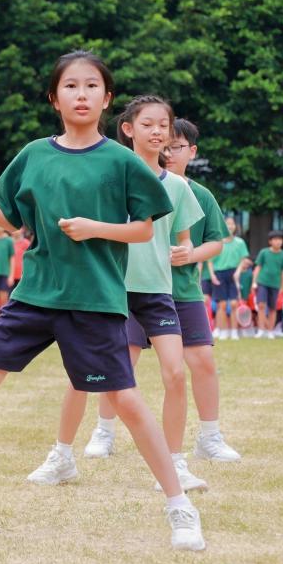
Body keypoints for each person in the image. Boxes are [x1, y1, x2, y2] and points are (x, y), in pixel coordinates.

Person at [0, 51, 205, 552]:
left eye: (92, 86)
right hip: (35, 292)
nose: (82, 94)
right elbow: (12, 220)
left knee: (124, 400)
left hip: (94, 299)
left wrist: (94, 229)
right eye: (71, 87)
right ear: (55, 98)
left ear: (107, 99)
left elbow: (145, 229)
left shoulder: (121, 161)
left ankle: (179, 505)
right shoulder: (34, 154)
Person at [27, 96, 209, 492]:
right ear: (128, 129)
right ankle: (64, 453)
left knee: (175, 373)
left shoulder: (178, 187)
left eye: (165, 125)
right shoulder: (107, 172)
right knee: (85, 377)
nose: (158, 132)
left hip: (157, 292)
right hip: (110, 289)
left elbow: (183, 239)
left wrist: (185, 252)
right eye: (148, 124)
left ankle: (175, 463)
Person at [82, 117, 241, 463]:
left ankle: (210, 436)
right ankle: (104, 431)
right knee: (123, 361)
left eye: (176, 147)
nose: (167, 151)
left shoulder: (196, 193)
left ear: (191, 152)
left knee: (202, 362)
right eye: (164, 144)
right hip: (133, 288)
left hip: (182, 291)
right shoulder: (129, 185)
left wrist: (190, 255)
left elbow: (216, 241)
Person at [209, 216, 249, 340]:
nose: (229, 226)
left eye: (232, 224)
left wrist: (238, 272)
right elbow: (210, 261)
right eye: (227, 224)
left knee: (233, 304)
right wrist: (212, 275)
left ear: (235, 226)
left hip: (233, 274)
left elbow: (243, 259)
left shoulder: (240, 242)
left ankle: (234, 331)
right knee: (221, 305)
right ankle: (222, 330)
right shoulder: (217, 242)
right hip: (219, 273)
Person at [252, 231, 283, 339]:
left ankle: (270, 331)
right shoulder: (264, 252)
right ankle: (261, 330)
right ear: (270, 241)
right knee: (261, 305)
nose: (278, 242)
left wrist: (282, 286)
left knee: (273, 308)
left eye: (280, 239)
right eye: (275, 239)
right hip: (262, 282)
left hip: (275, 284)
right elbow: (258, 267)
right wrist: (254, 281)